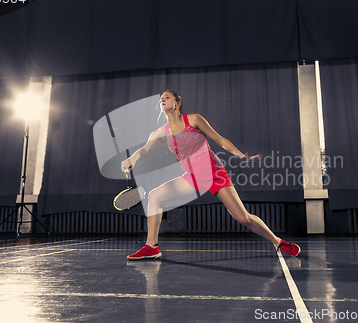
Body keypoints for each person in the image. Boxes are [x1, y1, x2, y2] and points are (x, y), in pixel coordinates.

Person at [121, 90, 300, 260]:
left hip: (214, 173)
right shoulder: (160, 133)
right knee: (155, 196)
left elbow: (220, 139)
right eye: (161, 98)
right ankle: (151, 247)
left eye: (167, 97)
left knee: (243, 218)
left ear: (177, 103)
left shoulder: (194, 120)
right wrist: (132, 159)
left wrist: (241, 156)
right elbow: (144, 150)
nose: (162, 99)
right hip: (192, 178)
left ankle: (278, 242)